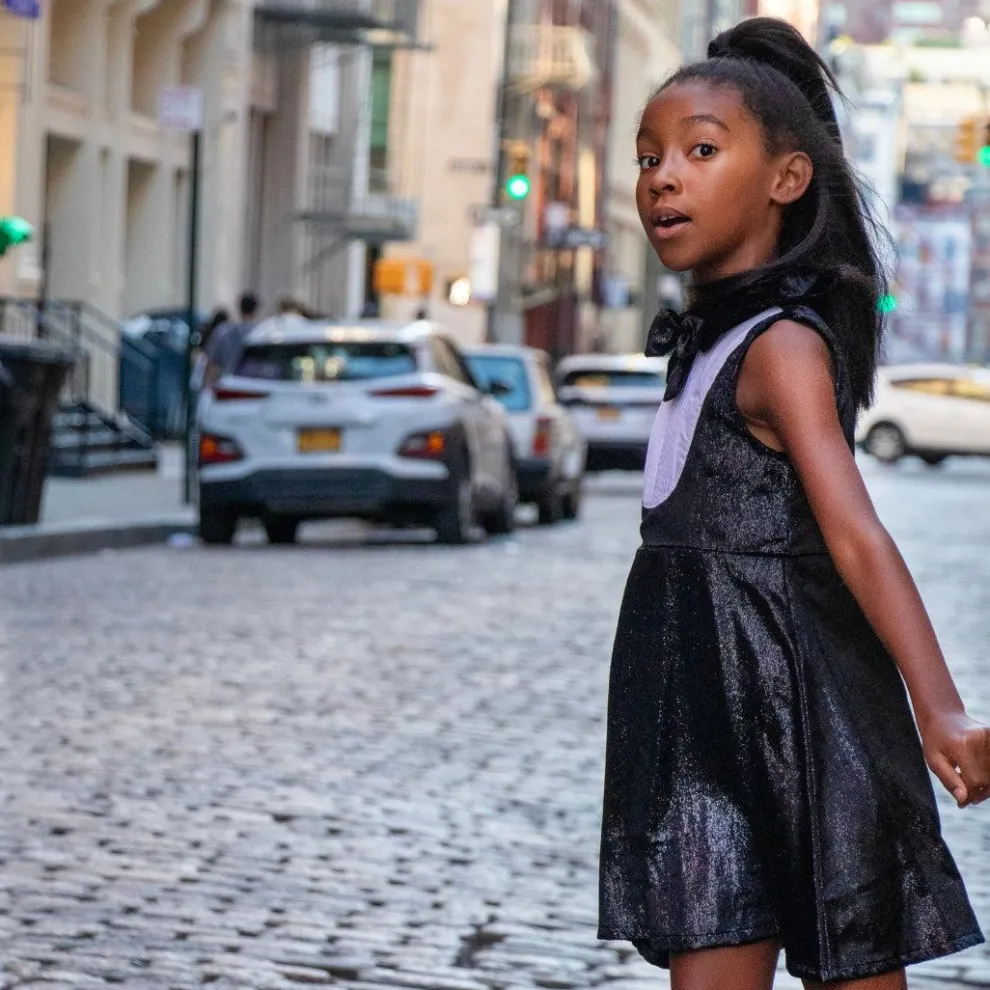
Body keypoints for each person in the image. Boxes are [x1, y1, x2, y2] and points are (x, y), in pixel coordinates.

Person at [597, 18, 989, 990]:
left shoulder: (782, 347)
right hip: (700, 723)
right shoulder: (707, 344)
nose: (662, 177)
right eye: (649, 156)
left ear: (786, 179)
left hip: (801, 711)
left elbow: (856, 537)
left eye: (699, 149)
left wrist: (939, 711)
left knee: (853, 968)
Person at [203, 292, 260, 386]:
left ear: (240, 308)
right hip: (256, 386)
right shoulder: (262, 333)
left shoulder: (223, 332)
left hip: (228, 385)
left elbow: (211, 362)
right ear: (256, 309)